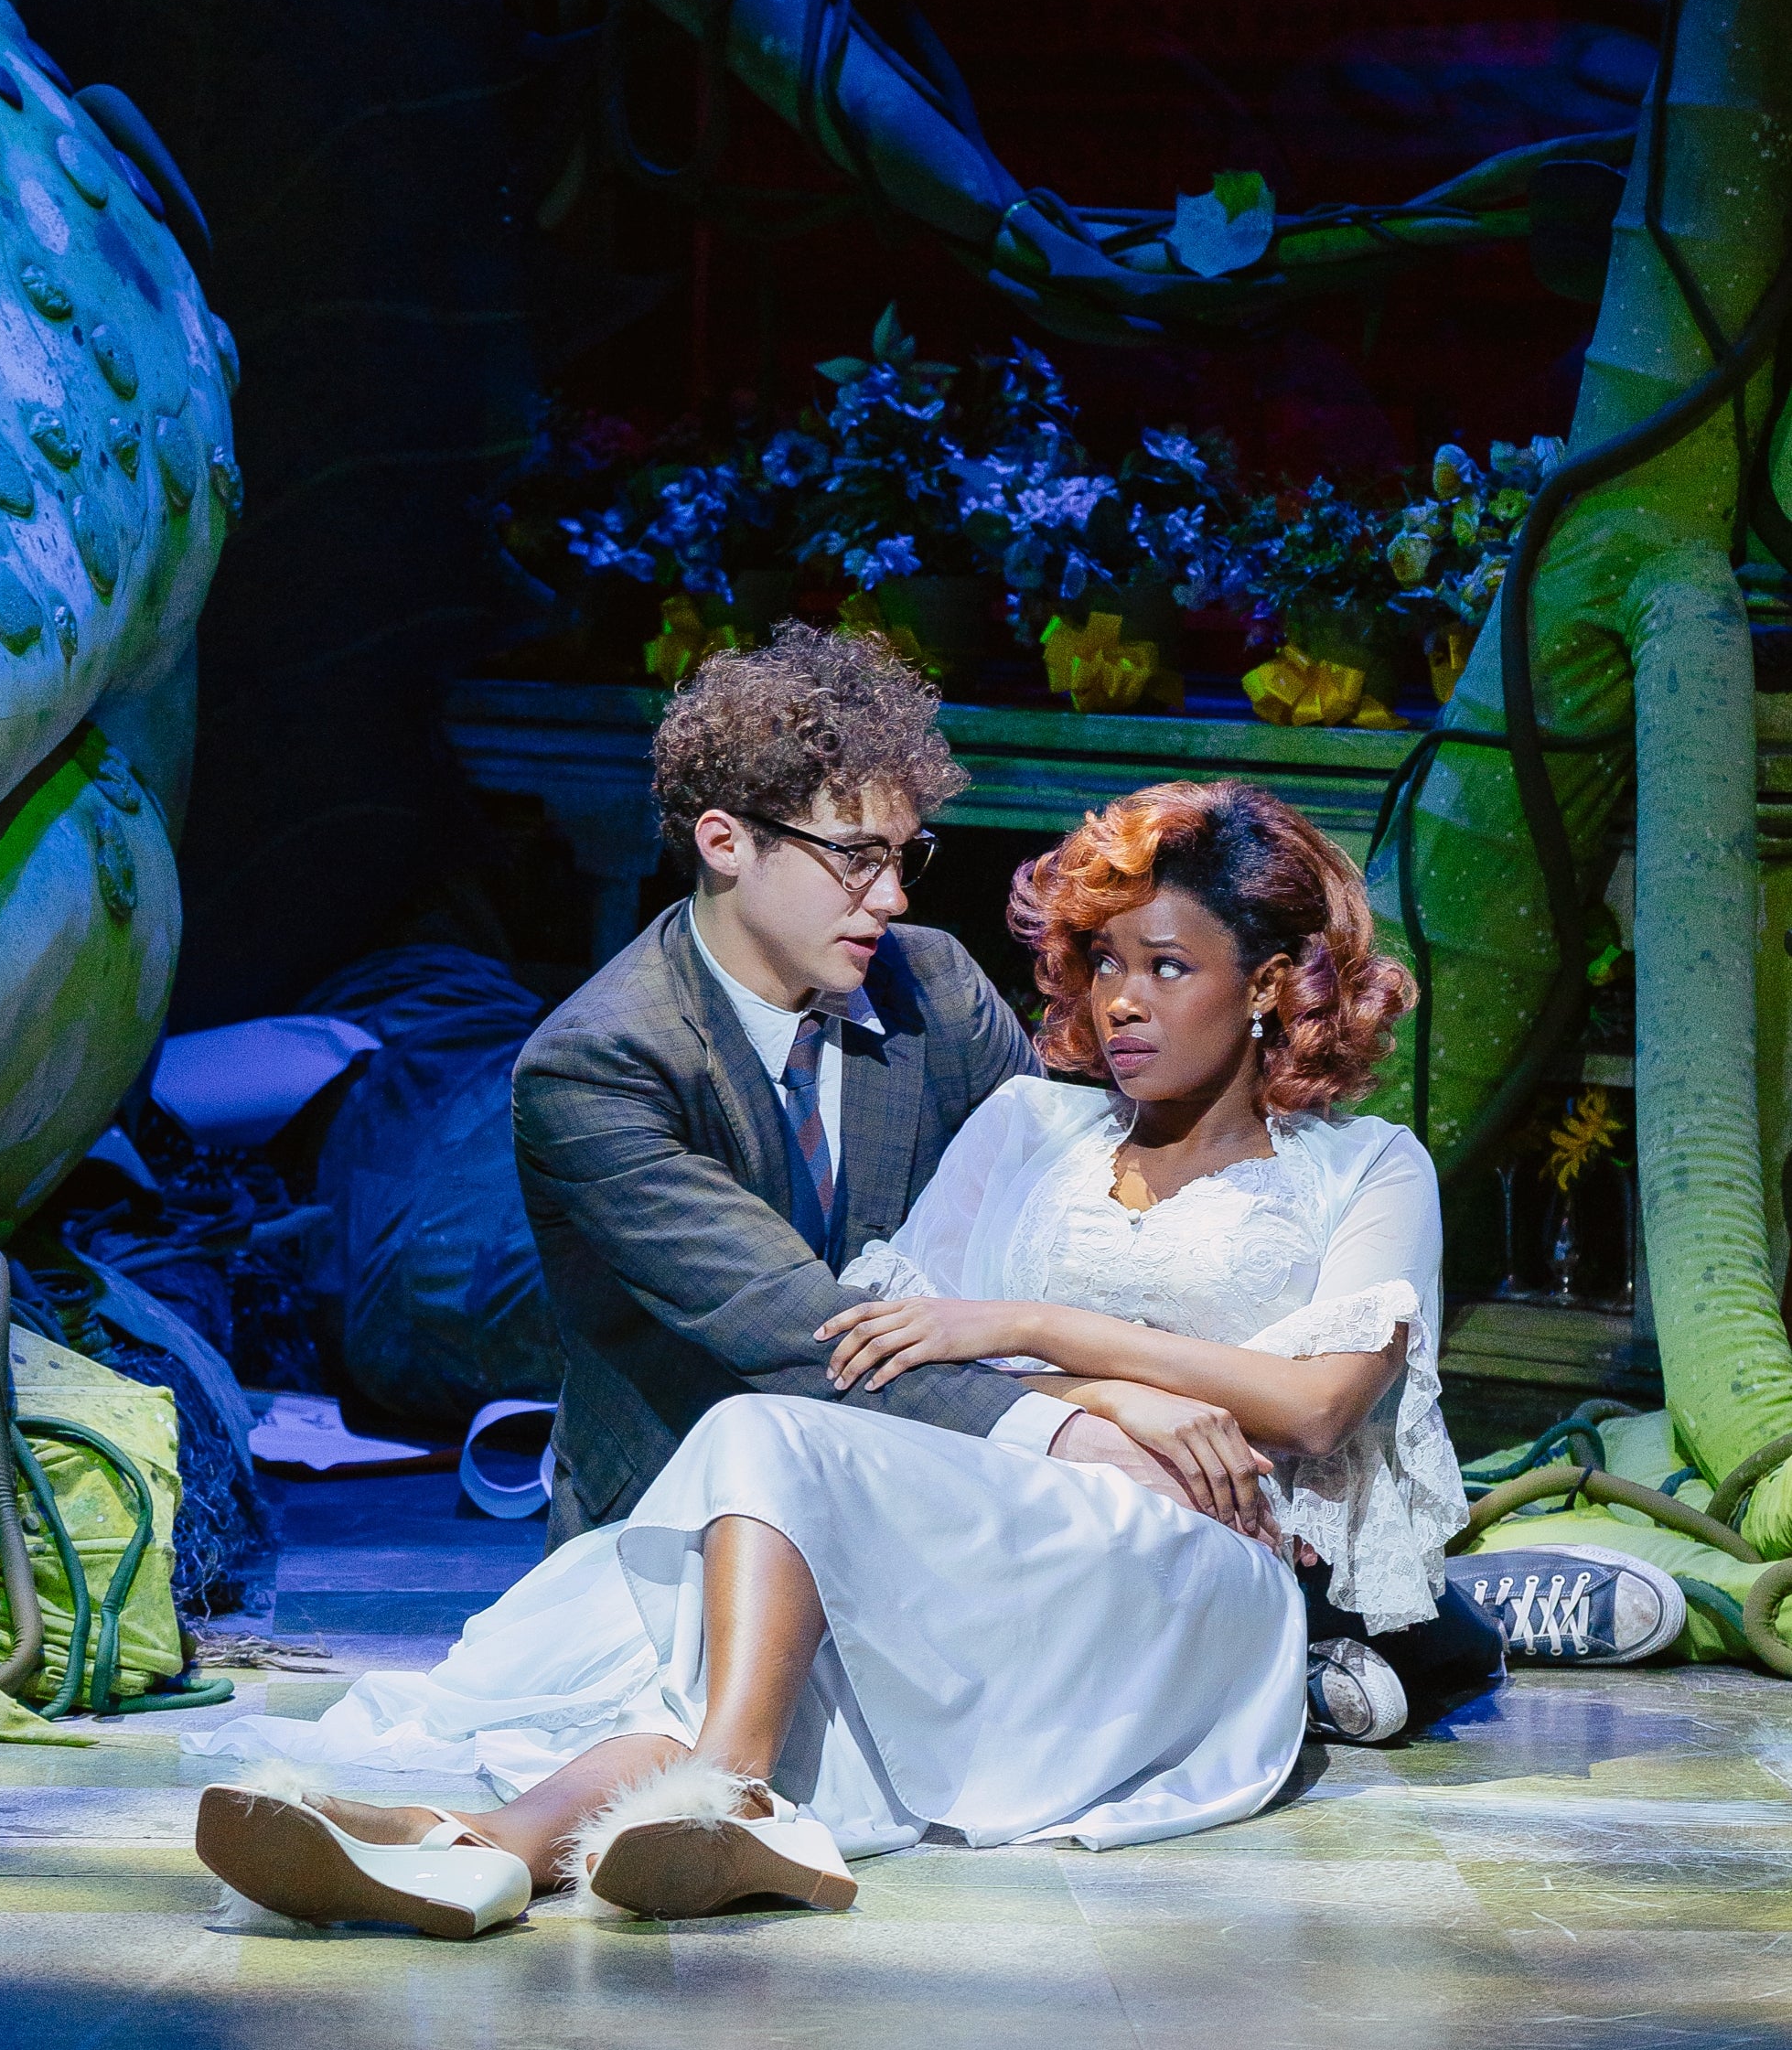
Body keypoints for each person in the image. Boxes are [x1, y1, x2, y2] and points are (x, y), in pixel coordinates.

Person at [188, 780, 1505, 1939]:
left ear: (1269, 983)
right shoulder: (1027, 1127)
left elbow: (1317, 1405)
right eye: (1102, 961)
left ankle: (710, 1790)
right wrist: (1101, 1397)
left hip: (1203, 1560)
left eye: (1165, 966)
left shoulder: (1366, 1168)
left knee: (766, 1486)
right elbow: (885, 1362)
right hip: (996, 1530)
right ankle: (488, 1849)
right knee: (769, 1626)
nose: (1118, 1000)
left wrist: (1037, 1326)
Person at [507, 622, 1181, 1544]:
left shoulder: (933, 983)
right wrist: (1068, 1425)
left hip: (939, 1484)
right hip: (691, 1513)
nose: (892, 897)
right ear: (725, 843)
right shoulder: (599, 1062)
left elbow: (1058, 1212)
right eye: (856, 857)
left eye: (904, 856)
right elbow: (792, 1329)